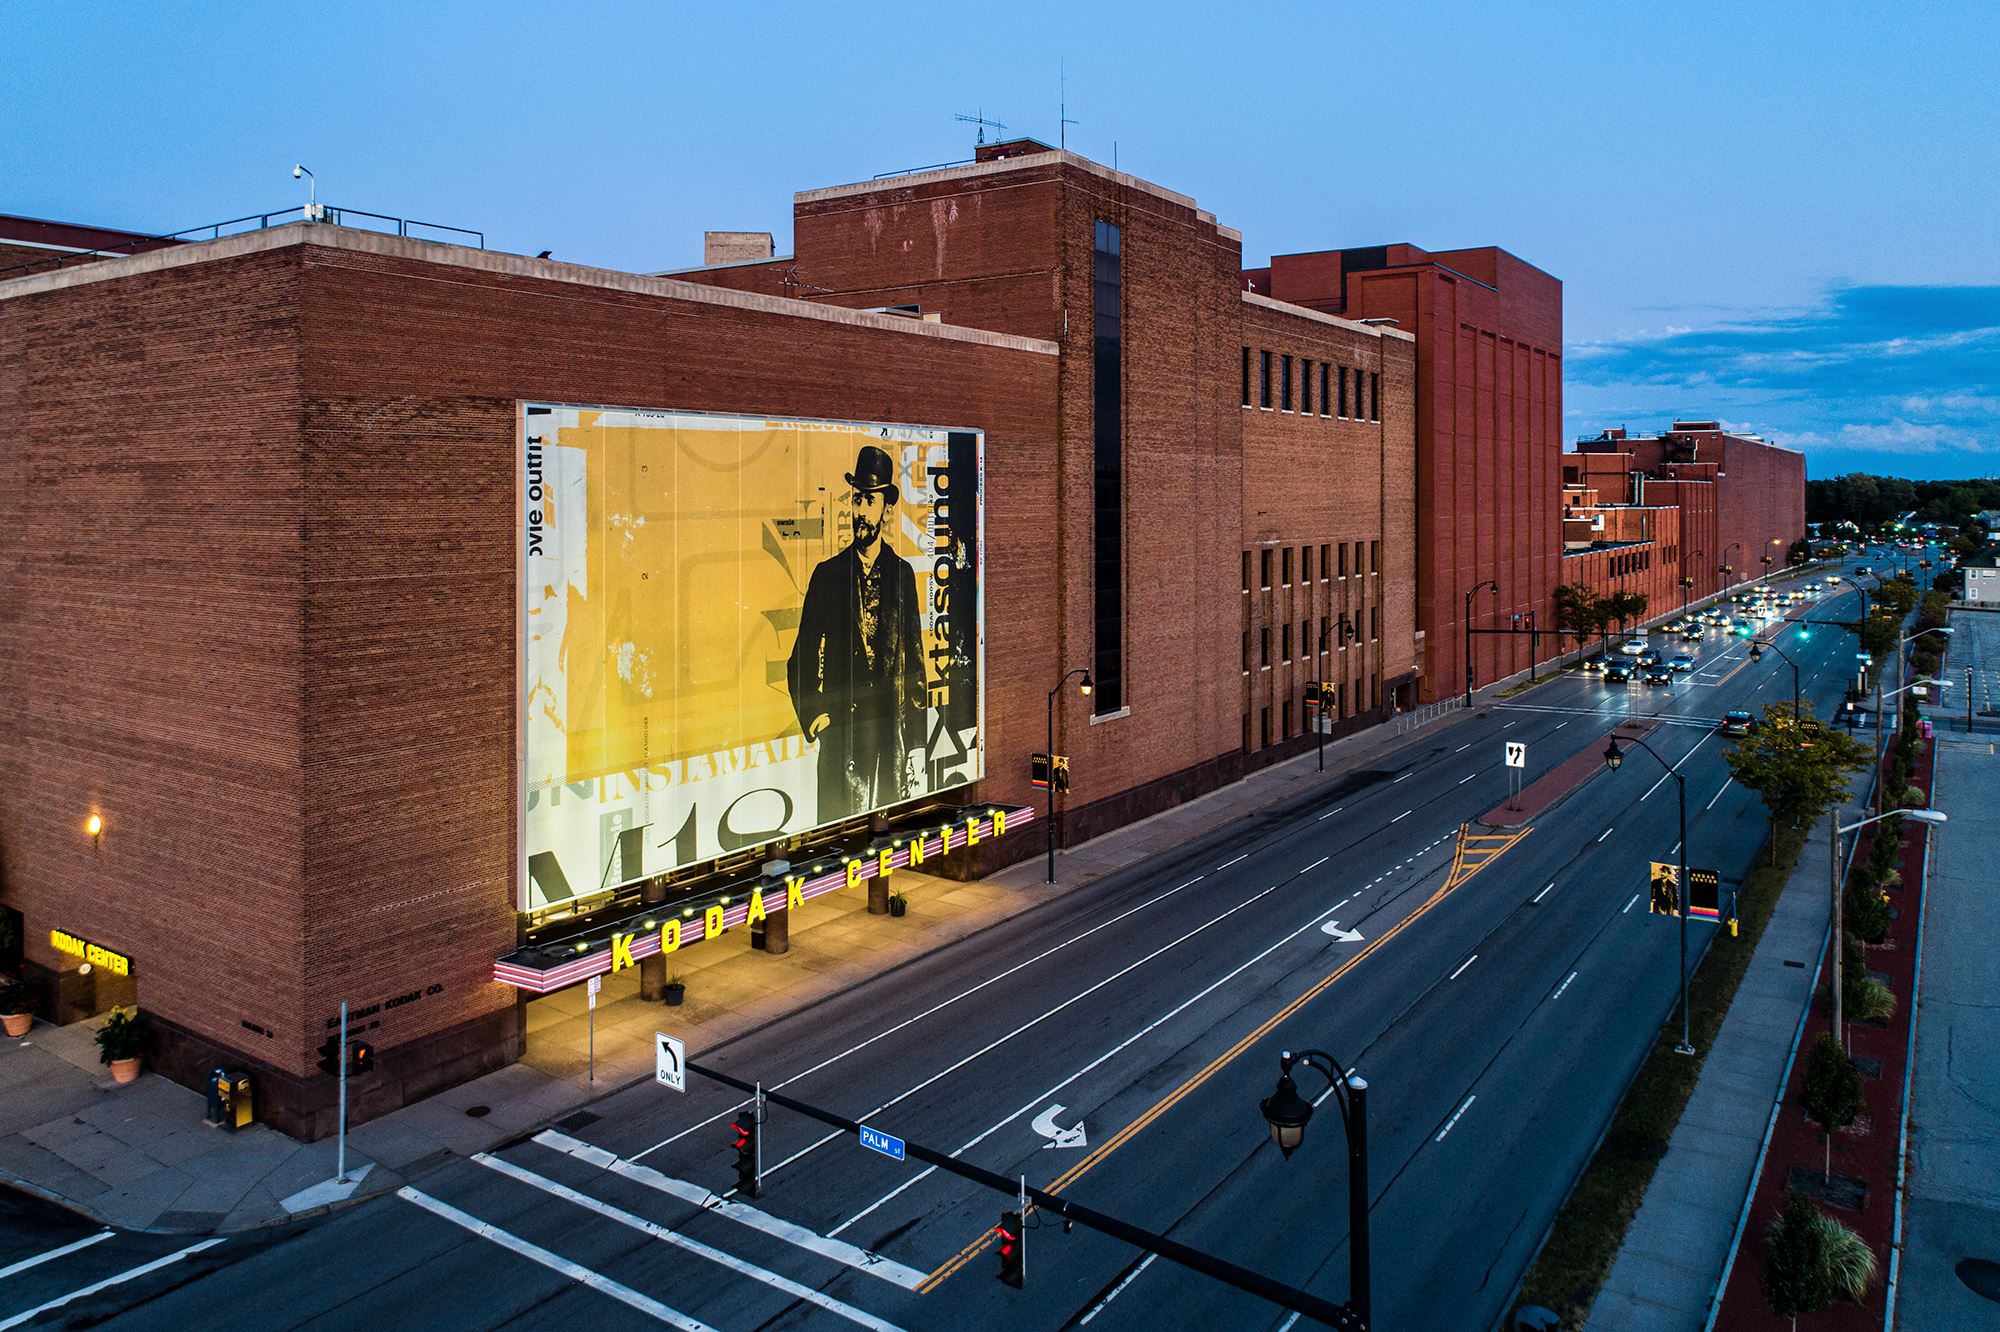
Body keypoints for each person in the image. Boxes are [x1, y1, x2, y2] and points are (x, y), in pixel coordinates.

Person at [788, 445, 928, 823]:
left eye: (870, 501)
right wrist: (817, 718)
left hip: (888, 739)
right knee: (841, 834)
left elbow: (914, 663)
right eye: (857, 500)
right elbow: (801, 656)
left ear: (887, 509)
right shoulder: (827, 575)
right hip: (843, 740)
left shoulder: (902, 576)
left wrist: (915, 745)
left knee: (888, 833)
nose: (861, 511)